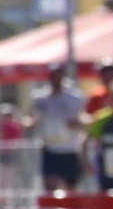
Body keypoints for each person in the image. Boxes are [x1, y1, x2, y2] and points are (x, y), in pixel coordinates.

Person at [30, 64, 87, 192]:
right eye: (53, 75)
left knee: (71, 188)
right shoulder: (40, 98)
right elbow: (31, 117)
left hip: (69, 149)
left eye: (58, 74)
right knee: (50, 185)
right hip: (50, 149)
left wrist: (78, 123)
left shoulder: (75, 98)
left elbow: (83, 118)